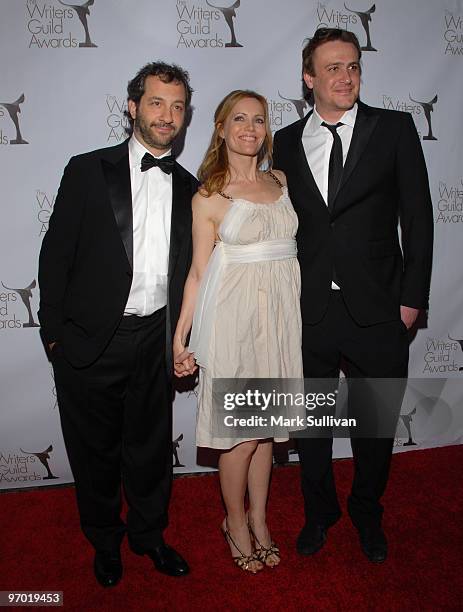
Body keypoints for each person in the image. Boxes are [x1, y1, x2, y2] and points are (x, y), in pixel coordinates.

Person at [273, 28, 433, 563]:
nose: (346, 76)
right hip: (311, 308)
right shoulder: (287, 142)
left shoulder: (395, 128)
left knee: (375, 425)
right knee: (313, 428)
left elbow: (418, 216)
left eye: (354, 66)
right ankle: (320, 514)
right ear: (309, 78)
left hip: (381, 307)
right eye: (334, 68)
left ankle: (367, 510)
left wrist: (413, 297)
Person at [38, 62, 198, 586]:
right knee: (95, 452)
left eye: (177, 107)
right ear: (133, 107)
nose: (166, 116)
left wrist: (181, 338)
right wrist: (55, 335)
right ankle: (105, 543)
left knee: (151, 450)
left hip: (155, 339)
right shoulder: (87, 169)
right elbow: (55, 255)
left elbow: (192, 273)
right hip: (90, 340)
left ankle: (149, 537)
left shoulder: (190, 187)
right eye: (156, 103)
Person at [173, 90, 303, 572]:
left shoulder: (280, 180)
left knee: (267, 434)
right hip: (234, 322)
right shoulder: (210, 195)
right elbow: (198, 274)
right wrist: (181, 336)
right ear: (221, 128)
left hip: (280, 323)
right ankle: (235, 520)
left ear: (267, 129)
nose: (250, 128)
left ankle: (261, 519)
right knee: (241, 436)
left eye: (259, 120)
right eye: (239, 119)